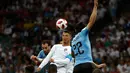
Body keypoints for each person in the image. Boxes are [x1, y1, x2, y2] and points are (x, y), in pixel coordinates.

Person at [71, 0, 106, 73]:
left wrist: (97, 66)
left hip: (76, 67)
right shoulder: (83, 33)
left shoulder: (73, 41)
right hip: (86, 66)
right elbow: (91, 21)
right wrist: (95, 6)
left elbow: (75, 56)